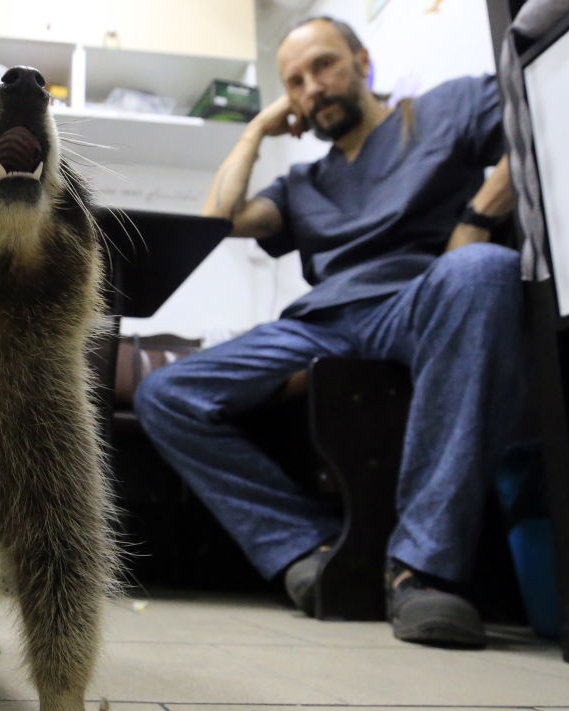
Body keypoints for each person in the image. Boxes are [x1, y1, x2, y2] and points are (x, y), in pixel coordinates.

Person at [133, 16, 524, 647]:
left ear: (363, 61)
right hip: (324, 322)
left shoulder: (443, 109)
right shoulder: (301, 185)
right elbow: (219, 220)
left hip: (421, 300)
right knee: (166, 394)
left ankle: (421, 572)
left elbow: (531, 126)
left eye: (324, 66)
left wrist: (478, 218)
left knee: (483, 268)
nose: (312, 88)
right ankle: (310, 548)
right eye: (294, 81)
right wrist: (260, 126)